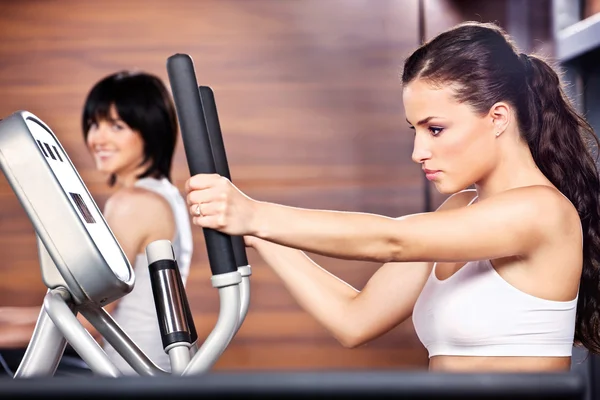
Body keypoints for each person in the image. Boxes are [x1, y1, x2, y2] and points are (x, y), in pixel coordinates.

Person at [183, 21, 600, 372]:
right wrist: (259, 235)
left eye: (435, 129)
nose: (419, 152)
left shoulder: (541, 211)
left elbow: (392, 240)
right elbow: (354, 320)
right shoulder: (459, 211)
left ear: (497, 119)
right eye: (414, 131)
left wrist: (256, 214)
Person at [0, 71, 193, 375]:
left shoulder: (133, 203)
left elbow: (89, 322)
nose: (97, 139)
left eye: (116, 126)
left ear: (151, 130)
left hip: (129, 374)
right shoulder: (165, 195)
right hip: (143, 367)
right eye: (94, 124)